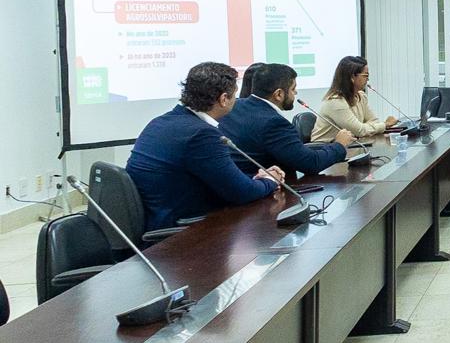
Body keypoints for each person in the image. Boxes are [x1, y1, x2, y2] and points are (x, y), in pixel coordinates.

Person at [127, 62, 282, 232]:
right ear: (223, 99)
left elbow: (223, 176)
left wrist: (256, 177)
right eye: (234, 95)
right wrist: (270, 181)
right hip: (183, 233)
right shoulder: (201, 135)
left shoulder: (160, 122)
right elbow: (241, 193)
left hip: (158, 219)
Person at [220, 63, 353, 177]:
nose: (295, 93)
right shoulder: (274, 123)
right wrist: (339, 145)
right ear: (278, 94)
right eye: (293, 89)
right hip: (264, 194)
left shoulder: (235, 106)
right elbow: (311, 163)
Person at [313, 55, 397, 141]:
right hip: (325, 150)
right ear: (352, 77)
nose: (368, 79)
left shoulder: (361, 96)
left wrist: (366, 128)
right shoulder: (335, 102)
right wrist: (385, 124)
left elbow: (373, 122)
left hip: (349, 146)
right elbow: (360, 131)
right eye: (365, 75)